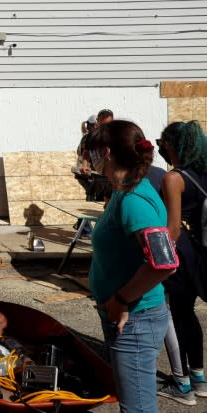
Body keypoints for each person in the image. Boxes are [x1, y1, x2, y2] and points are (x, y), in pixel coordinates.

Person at [86, 120, 175, 413]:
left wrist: (122, 300)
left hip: (135, 320)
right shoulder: (123, 192)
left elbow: (164, 265)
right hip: (127, 317)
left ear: (107, 152)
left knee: (137, 408)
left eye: (93, 152)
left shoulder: (134, 200)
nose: (90, 159)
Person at [156, 121, 207, 404]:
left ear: (172, 146)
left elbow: (172, 228)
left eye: (162, 143)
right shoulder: (204, 172)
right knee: (189, 316)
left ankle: (182, 384)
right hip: (202, 251)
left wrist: (157, 262)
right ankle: (199, 378)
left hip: (183, 253)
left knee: (176, 315)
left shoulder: (173, 179)